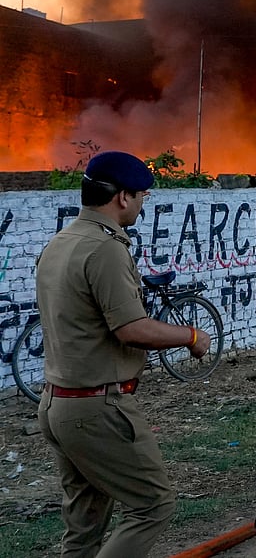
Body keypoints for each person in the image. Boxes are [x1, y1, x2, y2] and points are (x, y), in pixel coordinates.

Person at [35, 150, 212, 557]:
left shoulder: (60, 243)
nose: (142, 204)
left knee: (84, 525)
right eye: (142, 197)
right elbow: (132, 329)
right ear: (122, 197)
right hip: (96, 408)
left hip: (57, 403)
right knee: (152, 503)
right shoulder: (105, 249)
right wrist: (190, 336)